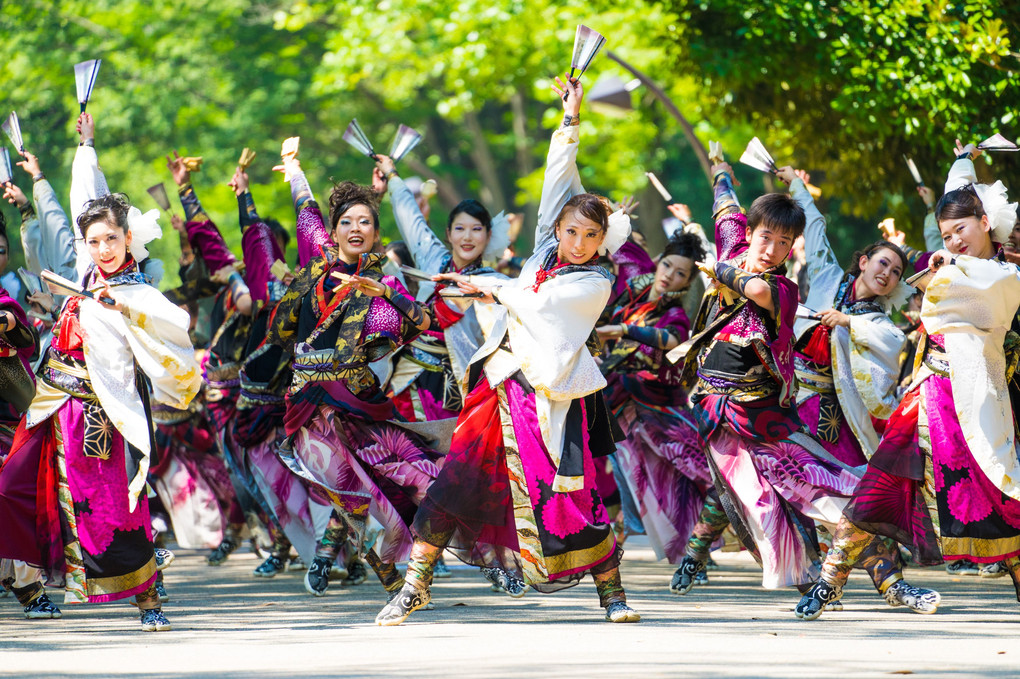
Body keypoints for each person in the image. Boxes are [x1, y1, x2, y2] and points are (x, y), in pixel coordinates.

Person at [375, 74, 640, 626]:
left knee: (569, 491)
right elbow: (556, 182)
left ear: (601, 241)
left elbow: (540, 309)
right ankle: (413, 586)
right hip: (498, 384)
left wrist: (488, 287)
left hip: (553, 395)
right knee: (458, 476)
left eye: (590, 236)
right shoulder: (546, 249)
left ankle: (612, 592)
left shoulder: (594, 283)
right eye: (570, 230)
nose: (576, 242)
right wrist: (570, 120)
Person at [796, 141, 1020, 619]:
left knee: (997, 487)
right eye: (946, 233)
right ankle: (830, 579)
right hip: (927, 393)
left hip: (978, 397)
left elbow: (959, 288)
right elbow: (956, 200)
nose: (953, 241)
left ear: (985, 222)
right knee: (880, 481)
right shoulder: (956, 262)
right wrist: (964, 160)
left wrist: (941, 264)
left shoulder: (1004, 275)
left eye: (960, 229)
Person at [0, 186, 201, 631]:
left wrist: (125, 307)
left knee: (113, 513)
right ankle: (29, 588)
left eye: (111, 238)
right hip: (51, 406)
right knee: (13, 487)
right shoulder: (86, 281)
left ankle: (149, 598)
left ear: (127, 238)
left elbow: (178, 325)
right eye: (94, 241)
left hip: (98, 417)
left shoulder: (137, 292)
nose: (103, 249)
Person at [243, 169, 442, 601]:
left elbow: (431, 322)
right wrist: (294, 170)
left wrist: (388, 295)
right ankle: (383, 574)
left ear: (375, 234)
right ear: (334, 232)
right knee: (349, 494)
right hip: (308, 408)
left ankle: (394, 572)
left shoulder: (383, 285)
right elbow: (306, 212)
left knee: (395, 491)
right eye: (347, 222)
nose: (356, 229)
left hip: (357, 407)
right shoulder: (316, 264)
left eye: (365, 222)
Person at [595, 231, 713, 566]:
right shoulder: (636, 284)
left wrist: (624, 330)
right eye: (668, 266)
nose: (669, 276)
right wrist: (616, 221)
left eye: (680, 274)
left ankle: (696, 546)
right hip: (620, 404)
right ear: (659, 261)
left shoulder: (676, 314)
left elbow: (671, 338)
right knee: (632, 480)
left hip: (662, 411)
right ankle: (617, 547)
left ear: (687, 282)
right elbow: (619, 245)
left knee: (687, 476)